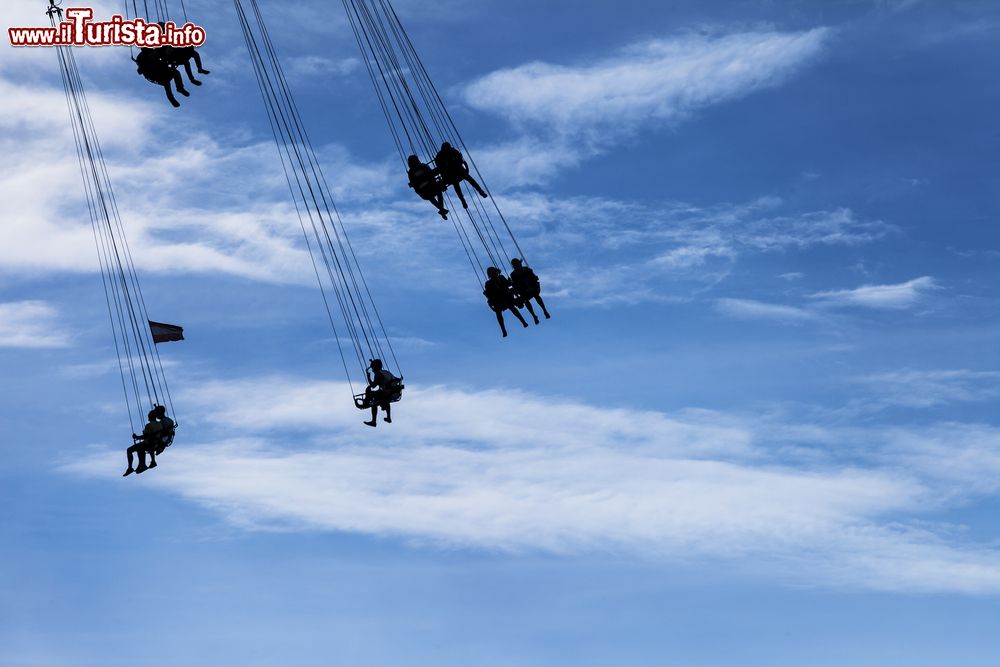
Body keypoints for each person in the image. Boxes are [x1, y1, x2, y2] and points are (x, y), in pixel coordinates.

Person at [434, 142, 487, 209]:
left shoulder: (452, 151)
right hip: (450, 174)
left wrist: (458, 162)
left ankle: (480, 191)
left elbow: (460, 158)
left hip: (458, 171)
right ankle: (463, 199)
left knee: (467, 180)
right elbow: (439, 165)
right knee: (458, 184)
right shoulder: (440, 155)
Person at [123, 406, 173, 476]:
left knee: (133, 449)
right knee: (141, 448)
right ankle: (145, 464)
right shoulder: (164, 422)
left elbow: (148, 436)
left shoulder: (153, 424)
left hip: (155, 442)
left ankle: (133, 467)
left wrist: (137, 437)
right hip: (157, 442)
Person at [483, 266, 528, 337]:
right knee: (498, 313)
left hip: (506, 297)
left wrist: (509, 282)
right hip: (498, 300)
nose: (493, 274)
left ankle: (523, 321)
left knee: (512, 307)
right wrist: (486, 294)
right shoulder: (488, 283)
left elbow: (508, 284)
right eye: (491, 273)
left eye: (494, 272)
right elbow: (489, 294)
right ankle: (503, 330)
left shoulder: (501, 277)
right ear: (489, 274)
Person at [510, 258, 550, 324]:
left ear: (520, 263)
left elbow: (534, 278)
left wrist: (534, 285)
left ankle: (544, 310)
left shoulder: (527, 269)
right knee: (526, 300)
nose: (516, 265)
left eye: (516, 264)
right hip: (523, 290)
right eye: (514, 264)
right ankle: (534, 316)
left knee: (536, 295)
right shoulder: (513, 274)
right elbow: (515, 284)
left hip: (532, 287)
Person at [407, 155, 448, 219]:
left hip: (424, 190)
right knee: (438, 192)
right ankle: (441, 209)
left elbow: (414, 182)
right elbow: (431, 174)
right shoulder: (422, 166)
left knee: (431, 197)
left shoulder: (411, 172)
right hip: (429, 187)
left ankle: (441, 209)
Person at [363, 359, 400, 427]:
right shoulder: (385, 372)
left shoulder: (378, 374)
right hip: (395, 392)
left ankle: (373, 420)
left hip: (387, 394)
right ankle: (388, 417)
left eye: (373, 368)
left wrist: (368, 377)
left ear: (376, 367)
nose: (372, 370)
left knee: (372, 399)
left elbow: (373, 386)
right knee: (379, 394)